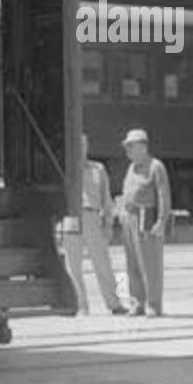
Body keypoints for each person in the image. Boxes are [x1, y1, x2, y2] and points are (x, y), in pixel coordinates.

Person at [64, 133, 126, 315]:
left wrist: (108, 222)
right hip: (70, 217)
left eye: (83, 145)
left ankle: (114, 303)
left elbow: (106, 198)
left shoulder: (98, 169)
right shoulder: (64, 169)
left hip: (91, 215)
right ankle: (80, 305)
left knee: (103, 262)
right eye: (77, 145)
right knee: (72, 264)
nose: (80, 149)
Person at [120, 128, 171, 316]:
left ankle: (153, 304)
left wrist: (161, 221)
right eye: (127, 147)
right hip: (129, 218)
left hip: (146, 218)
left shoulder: (156, 167)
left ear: (142, 146)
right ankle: (137, 302)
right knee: (132, 263)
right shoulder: (131, 167)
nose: (127, 150)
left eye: (131, 146)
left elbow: (163, 196)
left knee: (150, 265)